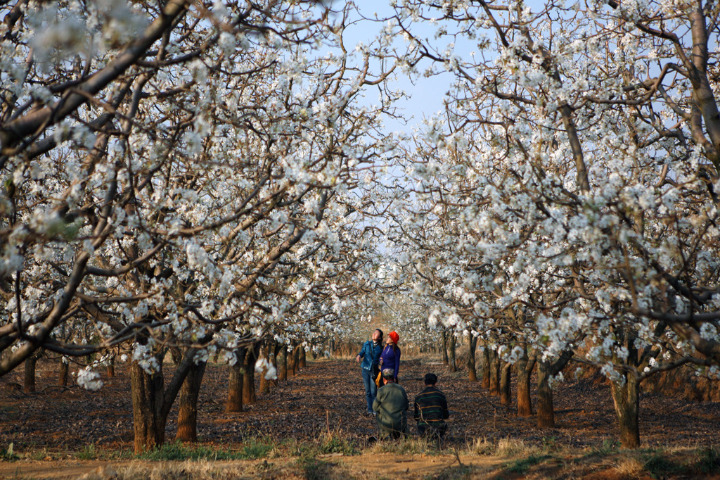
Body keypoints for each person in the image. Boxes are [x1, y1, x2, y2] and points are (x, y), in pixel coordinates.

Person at [373, 368, 409, 438]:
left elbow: (375, 407)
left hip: (386, 424)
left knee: (378, 413)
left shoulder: (381, 390)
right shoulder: (401, 389)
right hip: (400, 424)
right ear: (394, 378)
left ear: (383, 379)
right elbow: (406, 406)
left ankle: (384, 434)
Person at [355, 329, 383, 415]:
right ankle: (369, 409)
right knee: (368, 391)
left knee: (374, 391)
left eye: (376, 333)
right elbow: (362, 352)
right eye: (374, 332)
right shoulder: (367, 344)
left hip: (374, 370)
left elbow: (381, 358)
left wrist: (381, 362)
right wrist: (359, 355)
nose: (374, 334)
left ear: (379, 338)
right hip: (365, 369)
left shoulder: (381, 348)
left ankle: (375, 409)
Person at [413, 373, 450, 438]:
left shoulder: (418, 397)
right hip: (439, 428)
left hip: (423, 429)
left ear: (424, 383)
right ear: (435, 383)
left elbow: (416, 417)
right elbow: (446, 415)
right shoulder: (441, 395)